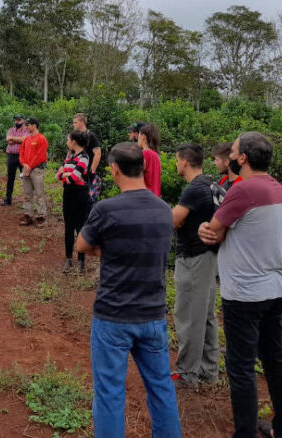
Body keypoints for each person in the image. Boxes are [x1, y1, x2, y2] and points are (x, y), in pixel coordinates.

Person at [76, 142, 181, 438]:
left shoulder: (106, 209)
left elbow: (81, 245)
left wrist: (108, 251)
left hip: (113, 316)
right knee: (161, 388)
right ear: (144, 168)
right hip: (153, 316)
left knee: (109, 393)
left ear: (114, 169)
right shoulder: (164, 211)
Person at [198, 133, 282, 438]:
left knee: (240, 366)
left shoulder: (243, 191)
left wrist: (208, 228)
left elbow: (214, 230)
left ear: (241, 159)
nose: (230, 154)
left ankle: (244, 433)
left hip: (244, 292)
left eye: (234, 150)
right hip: (276, 287)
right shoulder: (277, 188)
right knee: (274, 360)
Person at [170, 144, 219, 388]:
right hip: (209, 257)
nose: (176, 165)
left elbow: (173, 220)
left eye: (177, 161)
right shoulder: (213, 185)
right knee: (206, 313)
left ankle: (187, 373)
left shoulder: (193, 189)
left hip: (192, 256)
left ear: (185, 162)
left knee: (188, 313)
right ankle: (209, 369)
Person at [56, 130, 91, 274]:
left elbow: (74, 177)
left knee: (80, 227)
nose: (67, 141)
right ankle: (68, 259)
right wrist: (65, 174)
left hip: (80, 195)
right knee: (68, 227)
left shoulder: (84, 157)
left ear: (74, 141)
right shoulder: (70, 155)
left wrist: (64, 175)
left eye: (68, 139)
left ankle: (81, 261)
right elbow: (59, 174)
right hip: (68, 194)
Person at [19, 117, 48, 228]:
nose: (26, 127)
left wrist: (29, 167)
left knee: (39, 194)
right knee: (27, 194)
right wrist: (24, 165)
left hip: (37, 169)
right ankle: (28, 215)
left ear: (34, 125)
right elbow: (21, 153)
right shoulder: (26, 139)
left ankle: (41, 216)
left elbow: (40, 156)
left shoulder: (41, 139)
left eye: (28, 124)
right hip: (27, 169)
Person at [1, 113, 29, 206]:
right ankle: (8, 199)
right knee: (10, 178)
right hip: (11, 156)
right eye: (16, 120)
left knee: (24, 177)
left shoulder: (26, 130)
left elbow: (24, 140)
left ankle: (27, 201)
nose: (17, 122)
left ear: (23, 120)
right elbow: (8, 140)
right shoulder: (11, 129)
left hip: (22, 157)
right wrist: (18, 139)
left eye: (19, 120)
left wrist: (13, 139)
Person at [72, 113, 101, 179]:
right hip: (74, 170)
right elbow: (71, 151)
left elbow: (98, 153)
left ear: (82, 123)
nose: (73, 125)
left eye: (75, 122)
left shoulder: (91, 136)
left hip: (86, 171)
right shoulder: (75, 136)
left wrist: (92, 171)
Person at [138, 123, 161, 197]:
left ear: (143, 137)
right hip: (155, 197)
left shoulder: (144, 154)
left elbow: (136, 177)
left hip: (144, 197)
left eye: (139, 136)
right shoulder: (156, 155)